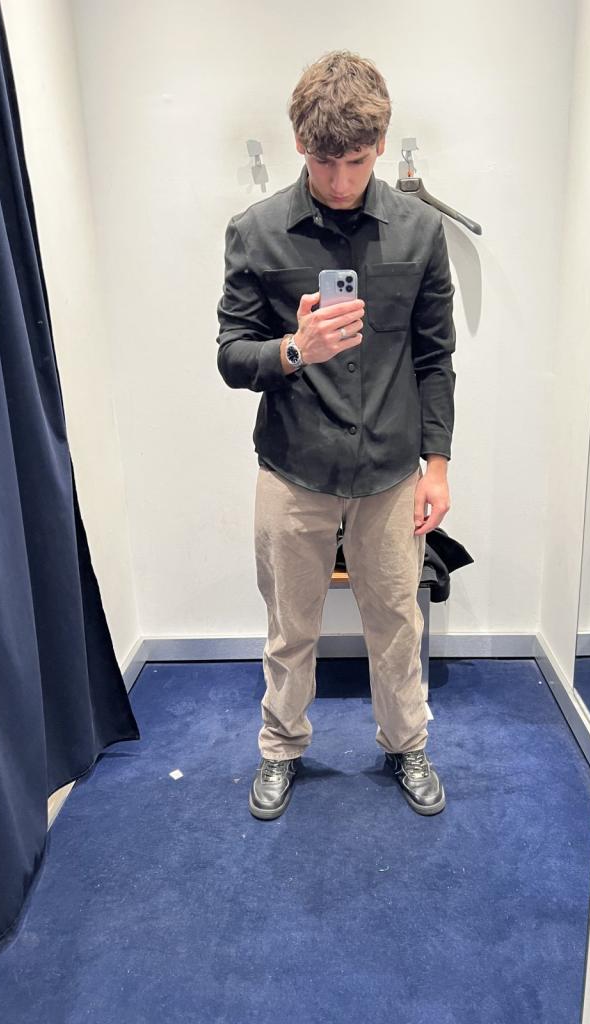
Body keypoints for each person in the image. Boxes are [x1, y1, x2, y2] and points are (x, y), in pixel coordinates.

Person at [216, 50, 456, 821]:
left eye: (356, 161)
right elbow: (231, 355)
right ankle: (281, 748)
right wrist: (295, 349)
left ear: (381, 145)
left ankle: (406, 743)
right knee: (291, 631)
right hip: (294, 468)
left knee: (397, 624)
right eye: (325, 161)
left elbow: (435, 357)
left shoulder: (420, 231)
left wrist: (438, 466)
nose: (342, 180)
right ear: (299, 143)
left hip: (391, 469)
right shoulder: (255, 232)